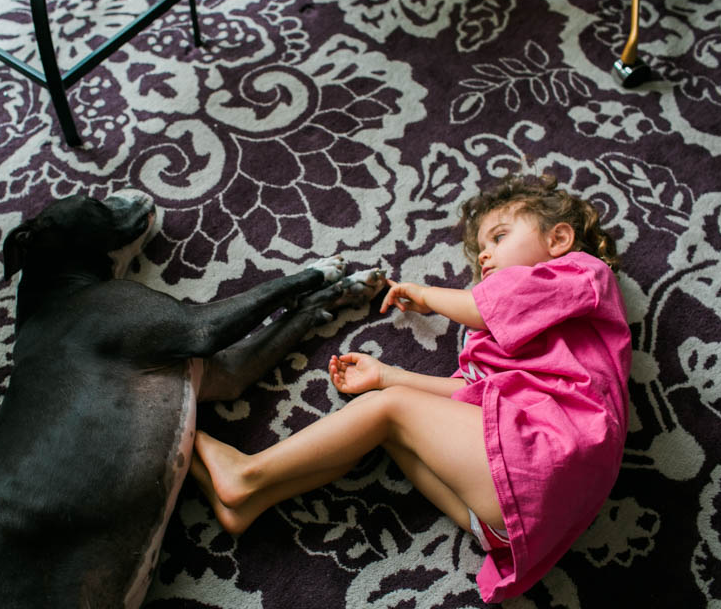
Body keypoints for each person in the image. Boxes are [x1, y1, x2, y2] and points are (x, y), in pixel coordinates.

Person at [191, 175, 631, 603]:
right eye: (481, 250)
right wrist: (387, 376)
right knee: (390, 423)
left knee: (393, 410)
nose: (485, 257)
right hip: (515, 520)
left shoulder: (581, 274)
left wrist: (424, 293)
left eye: (499, 237)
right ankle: (251, 500)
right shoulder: (522, 340)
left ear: (557, 240)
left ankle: (246, 474)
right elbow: (467, 399)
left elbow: (480, 307)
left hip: (546, 459)